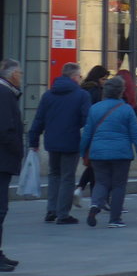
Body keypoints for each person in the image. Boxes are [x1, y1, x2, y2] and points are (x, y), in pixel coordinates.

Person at [26, 62, 92, 225]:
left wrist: (33, 141)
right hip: (71, 141)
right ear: (74, 77)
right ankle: (63, 214)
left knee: (54, 175)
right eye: (80, 76)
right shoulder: (82, 95)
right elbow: (87, 120)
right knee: (67, 177)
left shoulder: (48, 95)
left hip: (52, 142)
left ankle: (51, 210)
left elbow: (39, 119)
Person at [80, 75, 137, 228]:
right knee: (118, 185)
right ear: (121, 92)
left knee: (101, 182)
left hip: (98, 153)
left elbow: (87, 133)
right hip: (121, 154)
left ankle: (94, 205)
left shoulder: (94, 108)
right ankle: (115, 219)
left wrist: (83, 151)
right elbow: (136, 134)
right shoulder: (127, 110)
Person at [0, 58, 24, 271]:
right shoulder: (5, 94)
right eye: (20, 73)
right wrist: (18, 150)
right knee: (0, 209)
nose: (21, 77)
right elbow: (6, 130)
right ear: (12, 75)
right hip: (2, 160)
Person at [76, 65, 108, 204]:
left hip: (85, 131)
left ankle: (80, 189)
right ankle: (97, 200)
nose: (104, 82)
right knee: (96, 165)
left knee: (92, 164)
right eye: (103, 79)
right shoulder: (96, 92)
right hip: (96, 131)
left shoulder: (82, 89)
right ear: (97, 78)